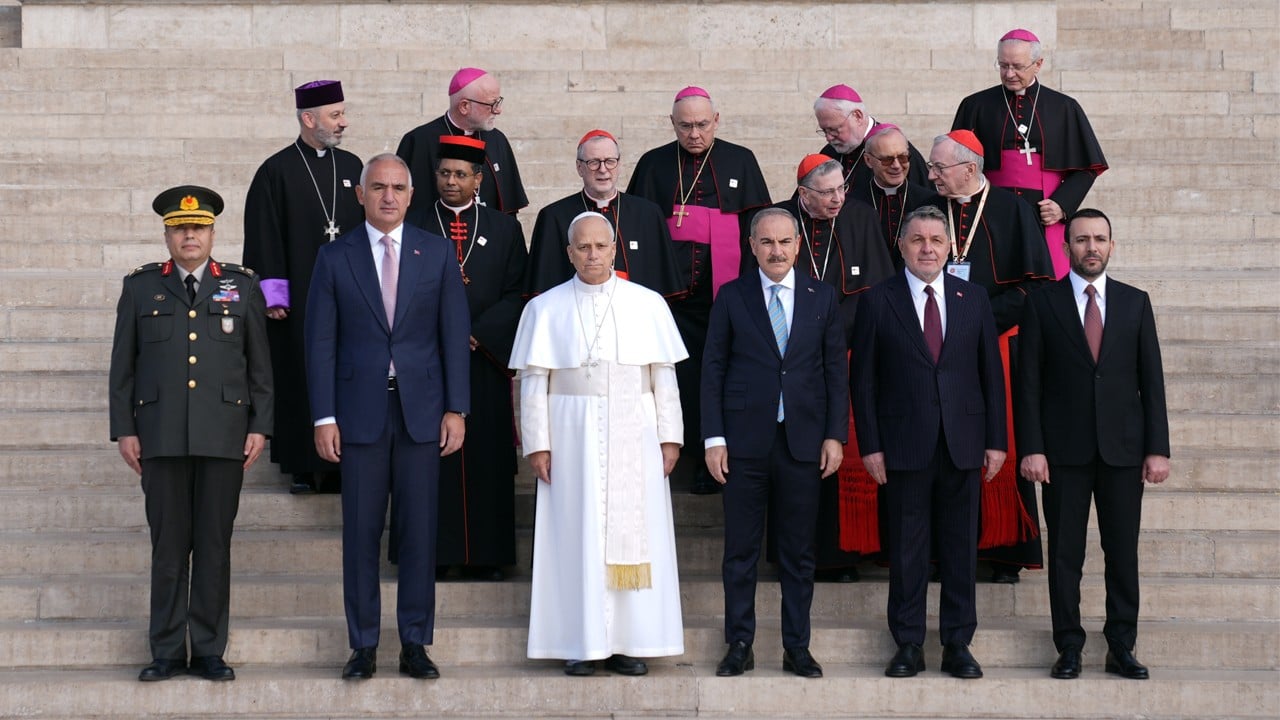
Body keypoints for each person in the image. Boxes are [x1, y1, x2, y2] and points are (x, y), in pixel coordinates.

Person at [304, 153, 470, 680]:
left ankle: (416, 643)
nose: (389, 196)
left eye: (398, 187)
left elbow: (452, 337)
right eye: (379, 187)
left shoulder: (437, 253)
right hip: (359, 415)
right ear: (361, 193)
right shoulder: (335, 257)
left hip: (421, 412)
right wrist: (323, 416)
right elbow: (320, 343)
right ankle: (364, 643)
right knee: (361, 532)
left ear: (412, 193)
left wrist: (456, 408)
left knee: (420, 531)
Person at [511, 212, 687, 677]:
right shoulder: (544, 308)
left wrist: (670, 437)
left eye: (600, 246)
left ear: (615, 249)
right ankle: (580, 641)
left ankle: (631, 642)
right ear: (569, 252)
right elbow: (533, 383)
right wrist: (537, 444)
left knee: (637, 535)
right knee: (576, 538)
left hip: (637, 430)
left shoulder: (647, 304)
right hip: (571, 436)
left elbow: (663, 377)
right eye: (582, 248)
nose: (592, 255)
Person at [109, 185, 272, 682]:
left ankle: (207, 650)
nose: (189, 236)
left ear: (212, 234)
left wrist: (260, 426)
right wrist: (125, 431)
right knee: (169, 548)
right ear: (167, 235)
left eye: (198, 228)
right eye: (180, 229)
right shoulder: (140, 288)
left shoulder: (242, 287)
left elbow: (260, 367)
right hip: (158, 438)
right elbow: (124, 368)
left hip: (224, 436)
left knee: (213, 546)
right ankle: (164, 650)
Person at [850, 205, 1006, 680]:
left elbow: (990, 375)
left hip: (963, 441)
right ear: (901, 246)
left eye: (936, 240)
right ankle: (909, 643)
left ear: (948, 246)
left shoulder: (973, 297)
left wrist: (996, 441)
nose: (927, 248)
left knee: (960, 547)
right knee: (907, 547)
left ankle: (958, 643)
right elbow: (864, 381)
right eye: (917, 239)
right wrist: (871, 445)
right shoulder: (879, 299)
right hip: (903, 445)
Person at [1016, 208, 1169, 680]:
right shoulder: (1042, 303)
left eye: (1099, 239)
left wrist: (1157, 447)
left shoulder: (1135, 302)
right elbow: (1028, 385)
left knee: (1122, 551)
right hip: (1063, 452)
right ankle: (1069, 646)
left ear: (1112, 246)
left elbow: (1152, 380)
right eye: (1081, 240)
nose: (1091, 247)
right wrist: (1032, 447)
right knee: (1066, 555)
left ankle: (1121, 645)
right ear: (1067, 247)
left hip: (1124, 450)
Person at [702, 208, 848, 679]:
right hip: (744, 444)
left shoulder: (821, 296)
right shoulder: (732, 296)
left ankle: (796, 647)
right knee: (740, 551)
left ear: (798, 245)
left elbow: (834, 373)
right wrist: (714, 437)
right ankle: (739, 644)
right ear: (751, 245)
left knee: (798, 552)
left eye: (785, 242)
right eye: (767, 242)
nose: (776, 251)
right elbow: (713, 370)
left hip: (803, 443)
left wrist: (834, 435)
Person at [627, 86, 772, 494]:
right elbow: (638, 224)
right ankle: (686, 457)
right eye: (685, 126)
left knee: (724, 376)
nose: (694, 134)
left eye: (702, 125)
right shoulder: (654, 164)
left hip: (724, 298)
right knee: (680, 378)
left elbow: (758, 228)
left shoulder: (740, 160)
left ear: (717, 121)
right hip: (670, 299)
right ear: (671, 124)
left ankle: (723, 460)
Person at [926, 129, 1054, 583]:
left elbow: (1034, 286)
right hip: (934, 341)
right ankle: (941, 551)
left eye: (939, 167)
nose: (932, 175)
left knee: (998, 440)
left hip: (996, 340)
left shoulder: (1012, 211)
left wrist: (979, 320)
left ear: (970, 168)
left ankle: (1003, 550)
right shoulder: (927, 208)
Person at [772, 154, 894, 582]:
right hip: (793, 359)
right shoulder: (780, 220)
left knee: (843, 453)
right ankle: (799, 554)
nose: (838, 199)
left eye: (842, 188)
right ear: (803, 194)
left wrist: (834, 329)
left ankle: (845, 555)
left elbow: (876, 289)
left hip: (847, 352)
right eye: (826, 193)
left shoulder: (859, 216)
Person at [243, 80, 363, 495]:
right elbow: (263, 235)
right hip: (300, 298)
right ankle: (299, 463)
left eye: (343, 114)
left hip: (350, 296)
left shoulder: (352, 168)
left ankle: (343, 462)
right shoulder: (275, 170)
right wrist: (274, 295)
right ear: (308, 119)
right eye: (336, 115)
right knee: (299, 374)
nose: (343, 122)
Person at [425, 135, 528, 580]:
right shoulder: (416, 225)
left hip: (484, 359)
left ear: (478, 179)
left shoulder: (505, 229)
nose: (452, 182)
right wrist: (443, 333)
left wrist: (477, 333)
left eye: (461, 175)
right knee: (435, 461)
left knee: (486, 457)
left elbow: (520, 292)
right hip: (428, 360)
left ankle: (488, 556)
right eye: (445, 173)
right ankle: (438, 554)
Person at [952, 28, 1108, 278]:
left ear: (1038, 64)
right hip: (990, 209)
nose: (1009, 73)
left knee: (1046, 284)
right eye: (1003, 65)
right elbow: (954, 161)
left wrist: (1061, 204)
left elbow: (1087, 167)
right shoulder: (976, 105)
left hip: (1045, 212)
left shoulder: (1064, 108)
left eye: (1017, 66)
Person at [525, 129, 683, 298]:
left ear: (619, 164)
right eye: (593, 162)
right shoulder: (553, 217)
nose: (603, 169)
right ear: (579, 167)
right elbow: (544, 289)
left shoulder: (648, 214)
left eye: (610, 161)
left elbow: (662, 286)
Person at [397, 67, 528, 226]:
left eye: (498, 102)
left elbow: (509, 212)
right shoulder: (419, 141)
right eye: (492, 104)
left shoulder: (497, 140)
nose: (498, 110)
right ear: (464, 106)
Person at [849, 123, 941, 271]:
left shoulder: (929, 201)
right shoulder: (853, 203)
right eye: (887, 160)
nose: (897, 165)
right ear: (868, 161)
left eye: (903, 158)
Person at [814, 84, 928, 190]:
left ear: (857, 116)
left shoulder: (897, 149)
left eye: (834, 130)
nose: (828, 138)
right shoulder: (828, 153)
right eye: (824, 131)